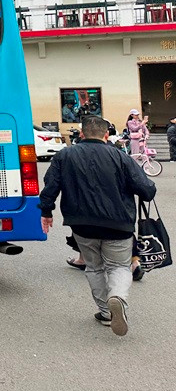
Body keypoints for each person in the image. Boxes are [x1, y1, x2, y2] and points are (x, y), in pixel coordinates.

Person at [39, 115, 156, 336]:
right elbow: (147, 191)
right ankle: (118, 297)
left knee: (94, 267)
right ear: (106, 135)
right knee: (119, 267)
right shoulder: (121, 157)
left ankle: (105, 311)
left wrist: (46, 212)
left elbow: (50, 187)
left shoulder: (64, 156)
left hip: (81, 224)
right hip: (118, 224)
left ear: (81, 134)